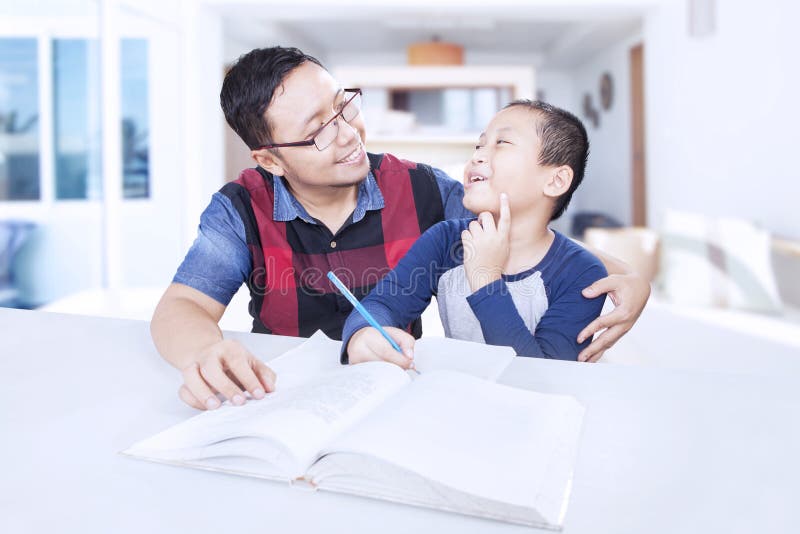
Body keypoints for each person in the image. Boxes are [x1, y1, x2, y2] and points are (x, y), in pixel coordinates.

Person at [149, 46, 650, 410]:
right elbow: (183, 307)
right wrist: (206, 353)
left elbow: (521, 230)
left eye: (343, 107)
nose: (348, 135)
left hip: (393, 394)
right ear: (270, 160)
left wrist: (628, 274)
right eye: (318, 131)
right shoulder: (240, 207)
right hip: (279, 395)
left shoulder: (422, 189)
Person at [343, 100, 608, 364]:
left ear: (555, 181)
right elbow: (383, 304)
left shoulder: (582, 273)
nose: (477, 156)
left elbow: (542, 375)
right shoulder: (445, 240)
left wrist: (486, 280)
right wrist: (363, 333)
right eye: (479, 145)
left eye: (502, 143)